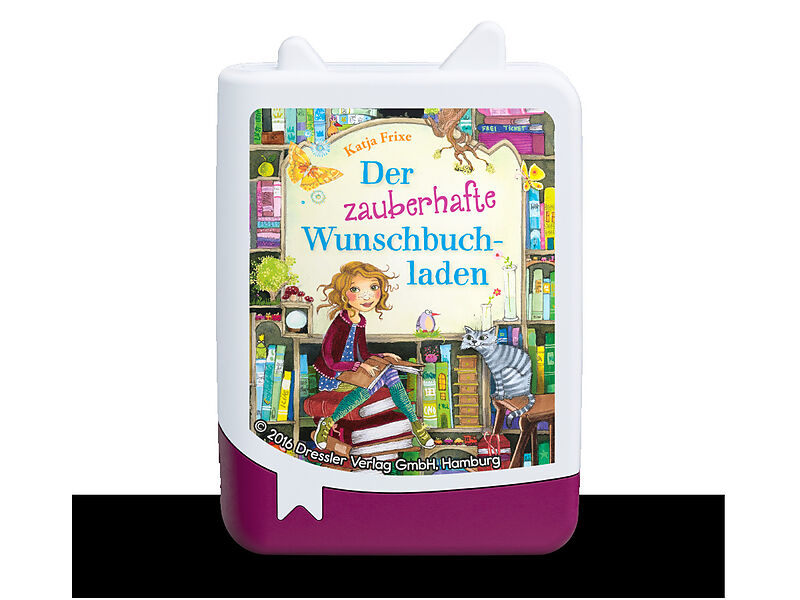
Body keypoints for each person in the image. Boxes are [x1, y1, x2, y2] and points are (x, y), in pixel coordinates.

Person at [312, 261, 434, 449]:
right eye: (356, 289)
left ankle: (328, 422)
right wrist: (358, 366)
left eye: (373, 288)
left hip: (353, 372)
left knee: (389, 371)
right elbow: (330, 360)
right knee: (383, 376)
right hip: (334, 375)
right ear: (344, 293)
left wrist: (384, 355)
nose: (367, 296)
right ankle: (416, 425)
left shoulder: (360, 320)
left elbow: (363, 353)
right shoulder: (340, 321)